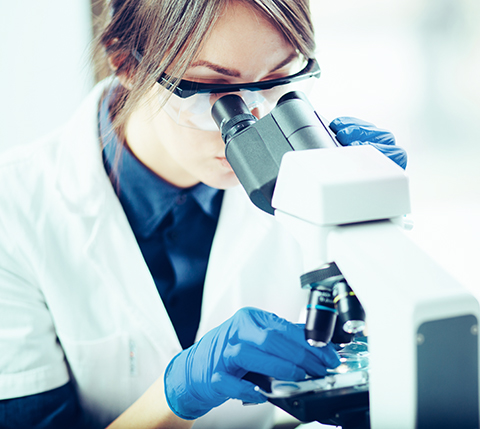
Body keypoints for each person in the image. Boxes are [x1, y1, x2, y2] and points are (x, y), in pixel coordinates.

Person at [0, 0, 406, 428]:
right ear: (125, 62)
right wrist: (175, 394)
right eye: (211, 87)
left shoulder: (312, 173)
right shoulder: (16, 209)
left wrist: (376, 223)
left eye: (277, 79)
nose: (251, 117)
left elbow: (382, 364)